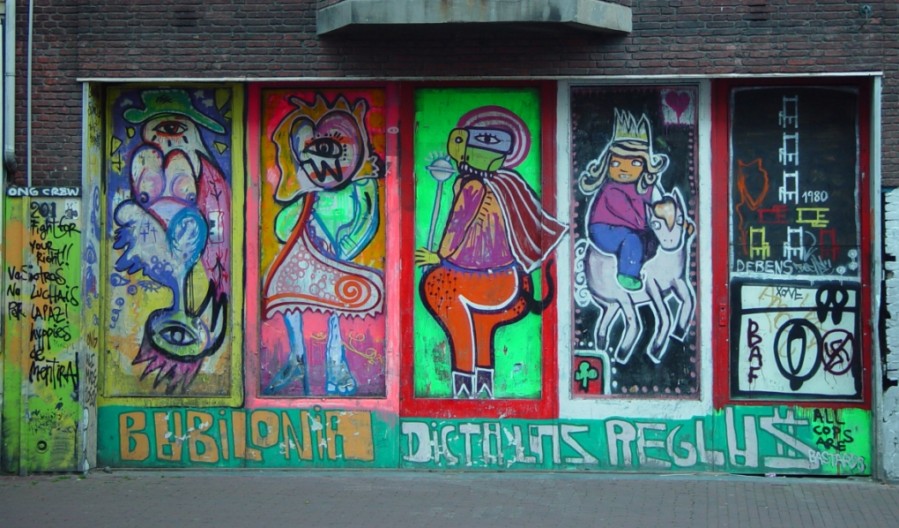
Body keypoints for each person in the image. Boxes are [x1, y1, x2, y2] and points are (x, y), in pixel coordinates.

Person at [415, 107, 566, 399]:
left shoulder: (472, 185)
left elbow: (457, 224)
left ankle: (462, 388)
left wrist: (439, 256)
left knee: (441, 291)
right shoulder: (503, 183)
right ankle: (485, 384)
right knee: (481, 326)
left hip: (473, 278)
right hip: (509, 278)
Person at [579, 109, 669, 291]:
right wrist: (646, 226)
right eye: (616, 163)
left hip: (634, 228)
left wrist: (669, 218)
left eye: (634, 163)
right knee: (632, 240)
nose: (624, 169)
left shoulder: (646, 187)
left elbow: (660, 205)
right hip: (605, 228)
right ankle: (627, 274)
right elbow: (626, 212)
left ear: (645, 165)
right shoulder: (611, 188)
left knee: (651, 241)